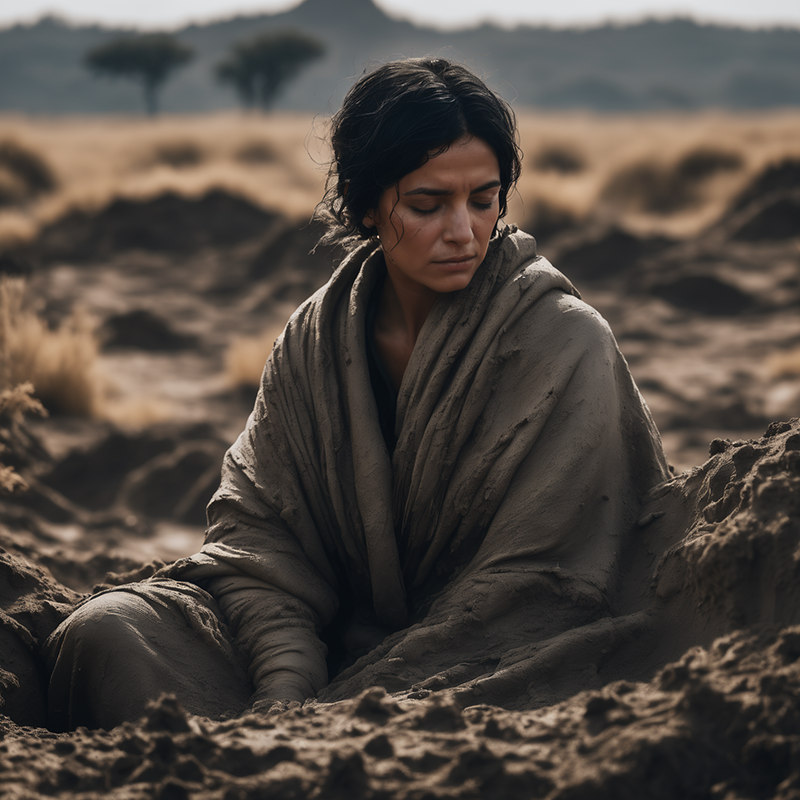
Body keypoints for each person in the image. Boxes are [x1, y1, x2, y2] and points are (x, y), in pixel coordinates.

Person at [44, 58, 670, 730]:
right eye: (428, 205)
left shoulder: (567, 342)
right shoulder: (314, 343)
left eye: (483, 200)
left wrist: (335, 705)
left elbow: (546, 587)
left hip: (485, 651)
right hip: (325, 646)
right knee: (108, 630)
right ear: (370, 204)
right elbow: (262, 544)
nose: (462, 231)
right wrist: (284, 684)